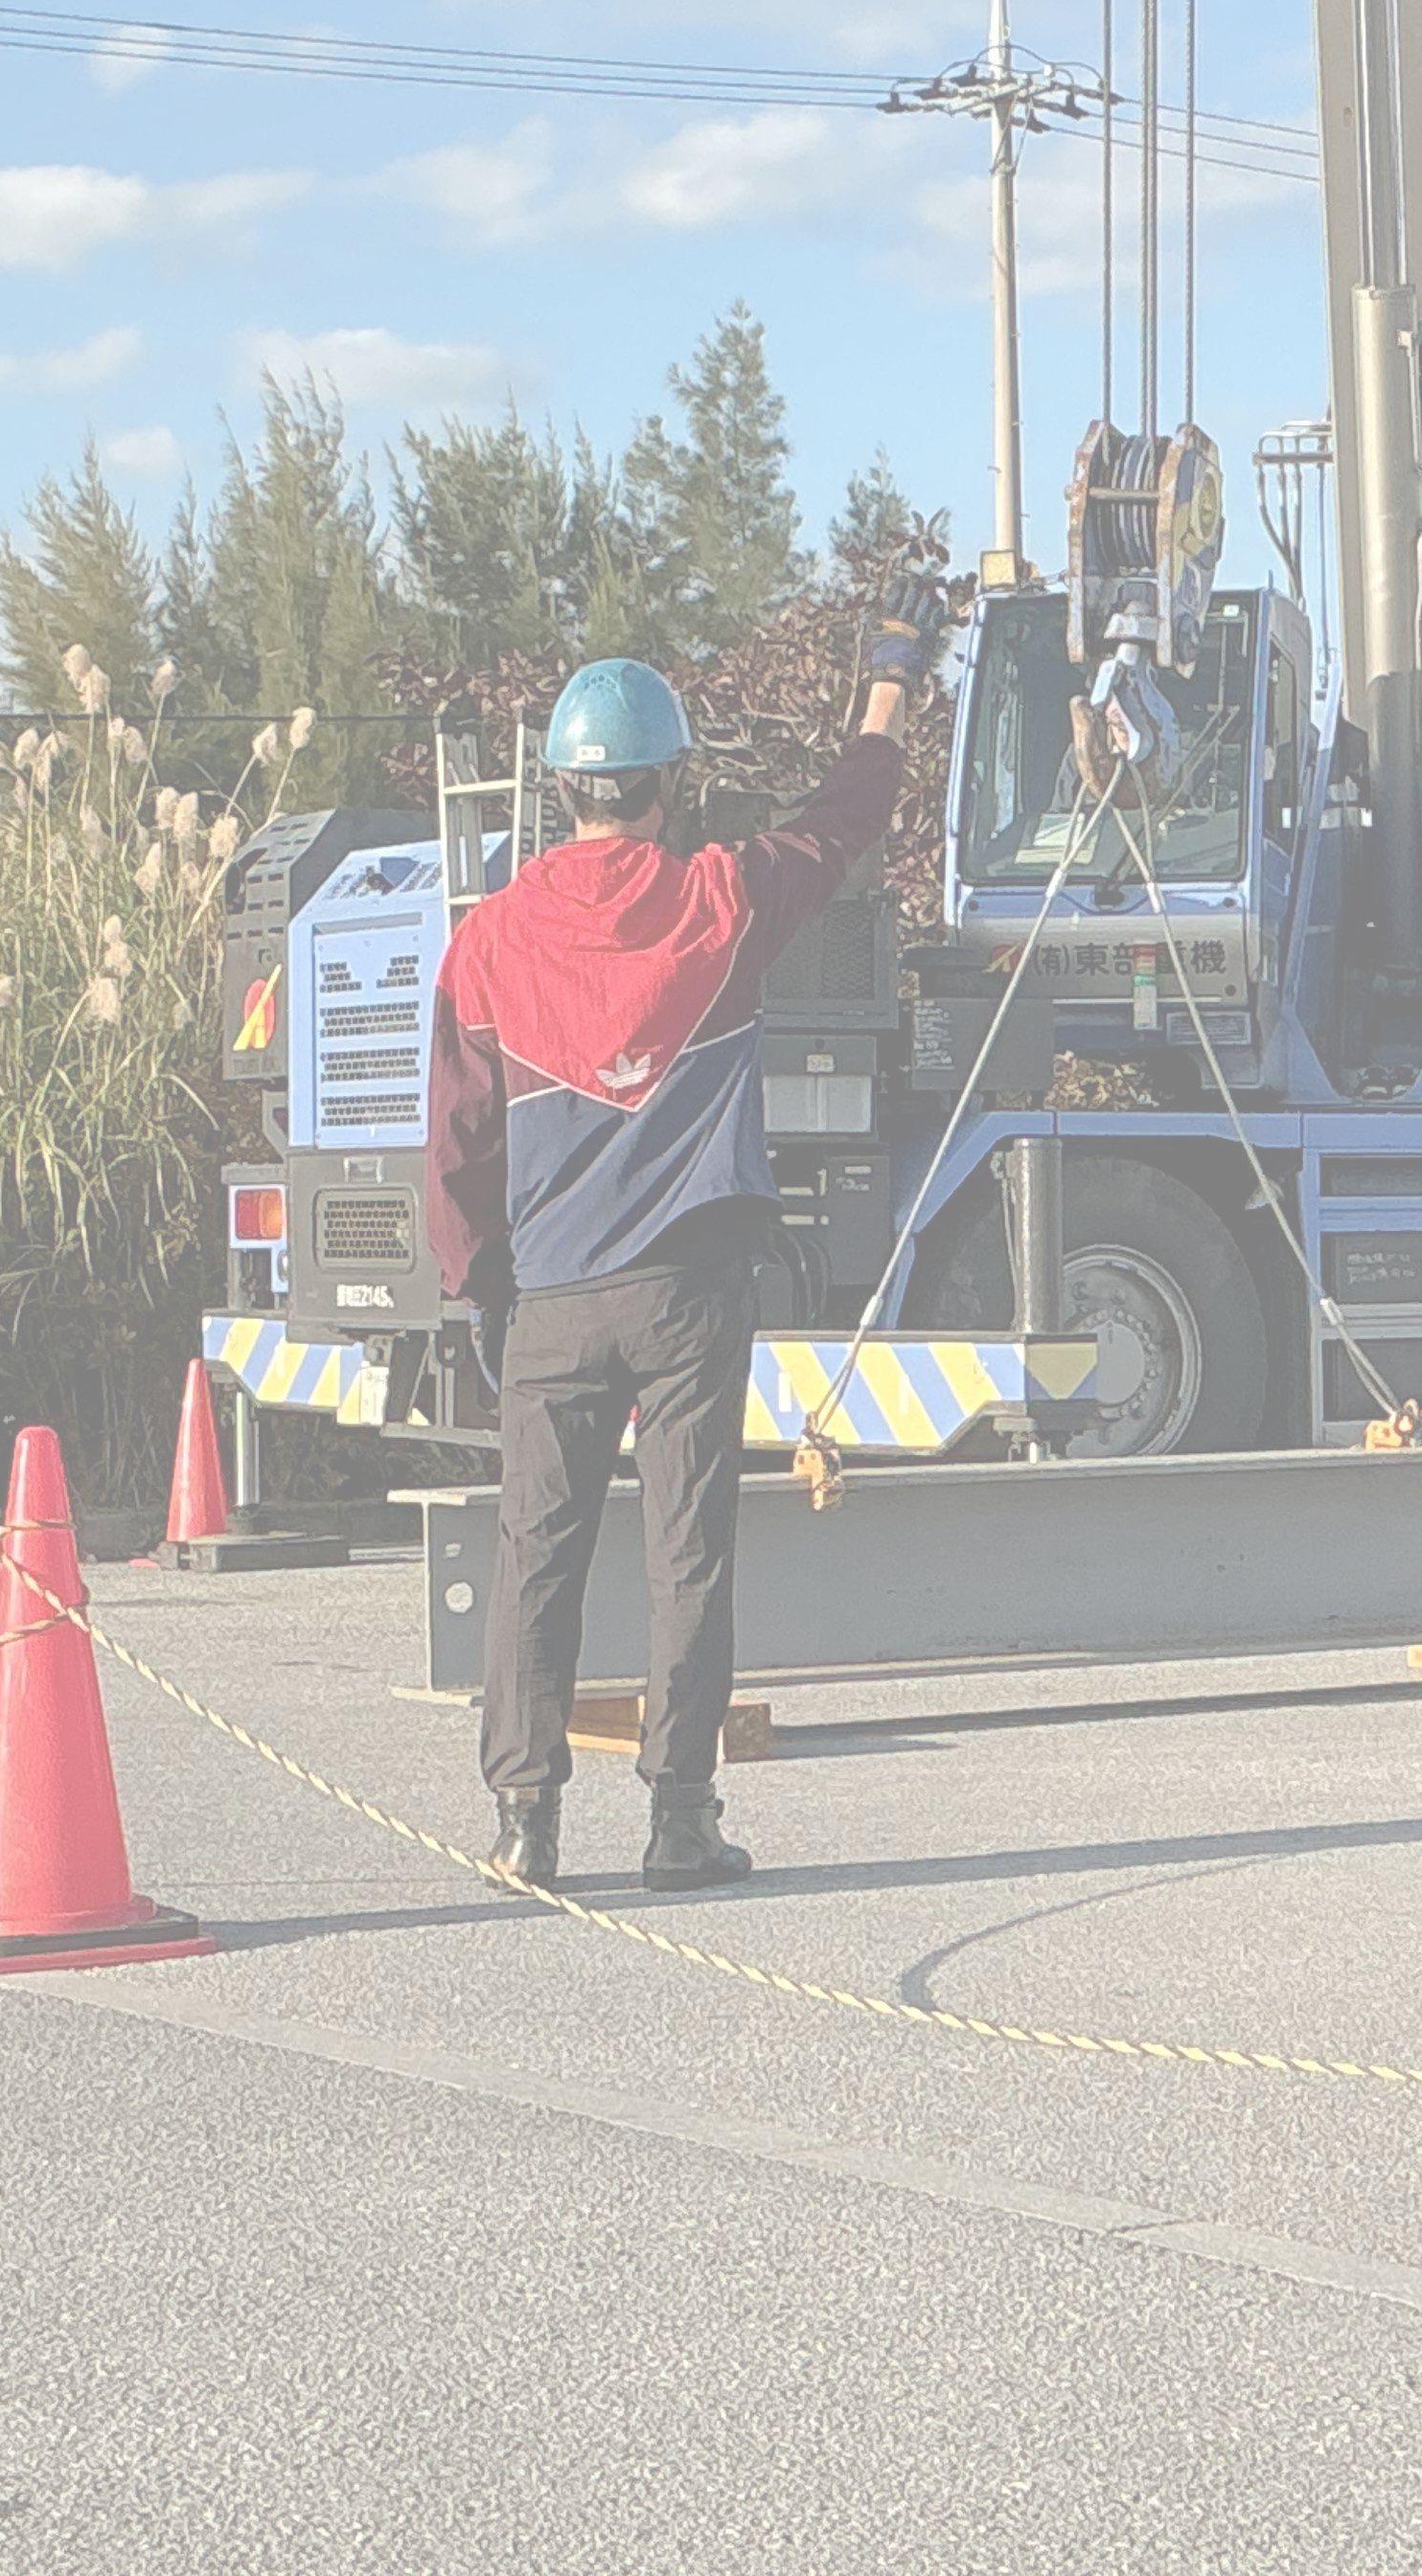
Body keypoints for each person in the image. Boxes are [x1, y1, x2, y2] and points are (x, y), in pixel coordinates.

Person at [426, 575, 945, 1892]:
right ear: (667, 783)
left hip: (551, 1298)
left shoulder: (484, 943)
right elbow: (846, 817)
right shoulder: (722, 902)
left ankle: (523, 1823)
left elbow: (458, 1144)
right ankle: (678, 1820)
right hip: (689, 1296)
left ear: (562, 790)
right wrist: (890, 676)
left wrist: (481, 1287)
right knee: (688, 1550)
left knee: (534, 1557)